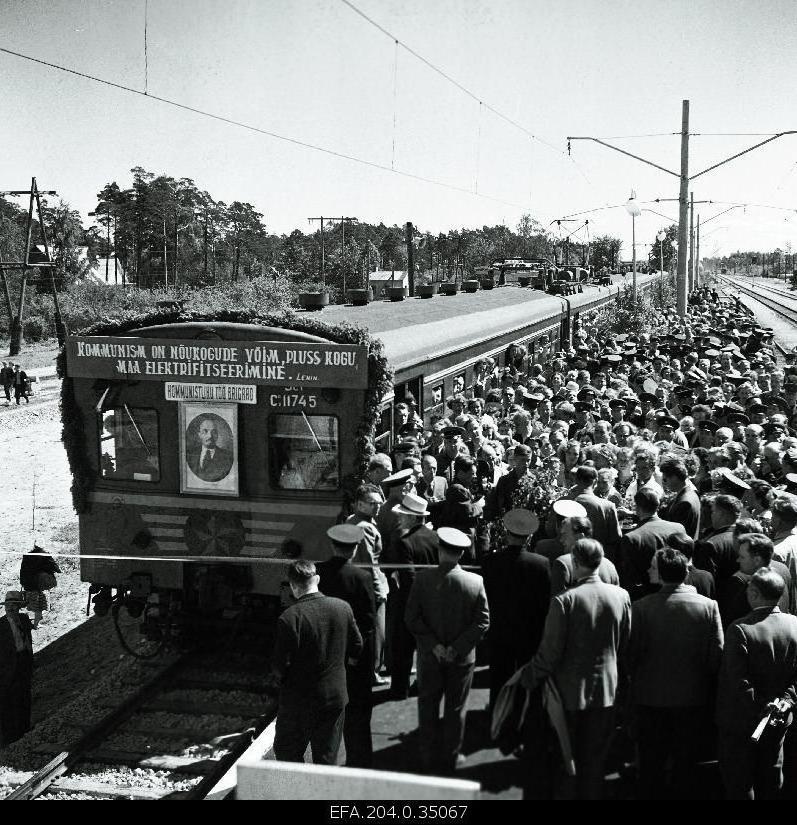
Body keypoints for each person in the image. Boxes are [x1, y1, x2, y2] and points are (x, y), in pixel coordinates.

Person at [521, 538, 631, 800]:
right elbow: (625, 644)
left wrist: (528, 676)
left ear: (575, 562)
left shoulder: (564, 601)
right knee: (595, 761)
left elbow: (550, 653)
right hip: (607, 690)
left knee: (566, 758)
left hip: (569, 693)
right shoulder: (622, 596)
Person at [630, 548, 724, 799]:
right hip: (692, 696)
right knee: (686, 760)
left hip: (650, 696)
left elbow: (632, 652)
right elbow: (716, 653)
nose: (649, 570)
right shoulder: (708, 606)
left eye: (652, 566)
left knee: (652, 759)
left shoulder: (641, 608)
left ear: (661, 575)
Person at [405, 527, 490, 774]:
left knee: (427, 705)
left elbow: (411, 618)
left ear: (439, 550)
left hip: (430, 657)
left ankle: (426, 757)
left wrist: (435, 646)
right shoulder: (475, 582)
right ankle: (451, 758)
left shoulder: (422, 579)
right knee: (456, 709)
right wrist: (457, 648)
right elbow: (483, 622)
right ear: (461, 554)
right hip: (462, 659)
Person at [268, 560, 363, 765]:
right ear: (317, 579)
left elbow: (279, 666)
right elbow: (357, 647)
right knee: (327, 759)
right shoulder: (342, 608)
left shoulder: (289, 617)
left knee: (288, 754)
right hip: (334, 697)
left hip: (298, 701)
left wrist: (282, 681)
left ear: (292, 586)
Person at [716, 568, 797, 799]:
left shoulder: (740, 629)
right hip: (780, 718)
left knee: (740, 782)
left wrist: (762, 708)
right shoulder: (795, 625)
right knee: (771, 777)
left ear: (753, 593)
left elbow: (738, 680)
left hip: (741, 721)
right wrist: (785, 702)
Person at [317, 524, 376, 768]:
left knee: (324, 719)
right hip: (352, 659)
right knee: (358, 716)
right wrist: (360, 656)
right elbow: (369, 623)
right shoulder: (362, 578)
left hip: (323, 657)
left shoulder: (317, 573)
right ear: (354, 550)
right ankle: (359, 764)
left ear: (332, 545)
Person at [481, 509, 550, 710]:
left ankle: (498, 715)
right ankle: (524, 718)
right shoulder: (541, 564)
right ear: (529, 537)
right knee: (526, 675)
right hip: (529, 631)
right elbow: (544, 601)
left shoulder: (491, 562)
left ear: (507, 533)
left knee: (499, 676)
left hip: (500, 628)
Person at [390, 492, 439, 700]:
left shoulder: (405, 542)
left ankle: (400, 690)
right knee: (428, 648)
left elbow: (408, 578)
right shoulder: (436, 538)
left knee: (403, 649)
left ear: (412, 517)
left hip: (411, 603)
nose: (400, 519)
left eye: (402, 515)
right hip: (434, 601)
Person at [618, 488, 689, 600]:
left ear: (637, 507)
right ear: (658, 505)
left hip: (647, 597)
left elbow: (630, 577)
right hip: (678, 594)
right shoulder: (678, 528)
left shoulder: (632, 537)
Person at [0, 591, 34, 747]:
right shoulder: (1, 626)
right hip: (7, 668)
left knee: (24, 696)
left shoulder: (24, 620)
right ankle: (9, 736)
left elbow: (28, 641)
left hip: (23, 663)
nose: (11, 608)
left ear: (20, 607)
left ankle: (24, 730)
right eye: (8, 606)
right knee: (8, 701)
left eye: (14, 605)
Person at [659, 457, 701, 540]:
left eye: (665, 479)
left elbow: (677, 535)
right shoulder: (690, 493)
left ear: (674, 477)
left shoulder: (685, 502)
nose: (664, 483)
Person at [19, 544, 60, 628]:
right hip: (37, 588)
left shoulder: (28, 558)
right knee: (39, 609)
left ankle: (35, 622)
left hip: (29, 587)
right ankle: (35, 625)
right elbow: (56, 568)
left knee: (37, 608)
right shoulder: (43, 557)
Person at [186, 416, 234, 482]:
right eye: (205, 431)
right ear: (199, 434)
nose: (210, 436)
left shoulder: (228, 457)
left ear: (217, 435)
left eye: (213, 432)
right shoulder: (189, 454)